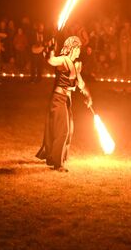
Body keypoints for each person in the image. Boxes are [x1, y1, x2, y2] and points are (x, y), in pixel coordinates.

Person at [36, 36, 92, 172]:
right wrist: (50, 50)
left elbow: (81, 84)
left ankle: (57, 156)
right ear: (72, 48)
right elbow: (51, 60)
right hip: (59, 98)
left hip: (67, 99)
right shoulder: (63, 60)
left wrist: (88, 96)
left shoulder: (75, 64)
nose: (79, 51)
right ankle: (57, 164)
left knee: (70, 130)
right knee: (63, 130)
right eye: (78, 48)